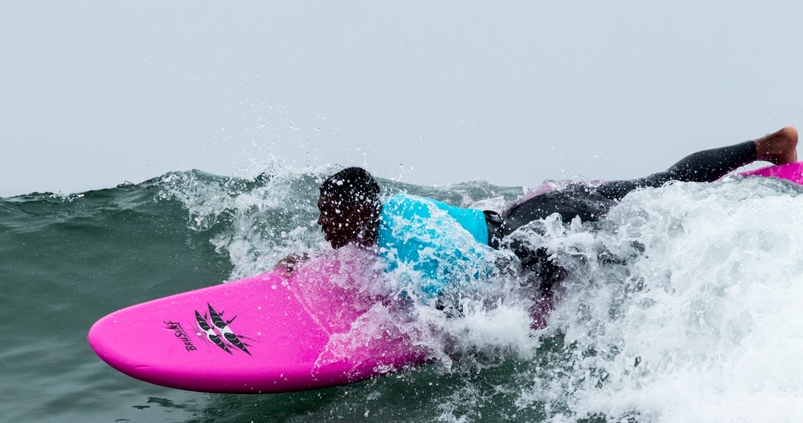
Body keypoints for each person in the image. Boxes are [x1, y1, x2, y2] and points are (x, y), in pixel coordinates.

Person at [293, 127, 799, 315]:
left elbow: (506, 266)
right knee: (655, 185)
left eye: (329, 216)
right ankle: (763, 150)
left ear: (359, 211)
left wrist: (542, 305)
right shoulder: (391, 211)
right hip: (533, 209)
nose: (324, 227)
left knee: (652, 204)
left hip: (545, 225)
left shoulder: (410, 246)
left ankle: (761, 169)